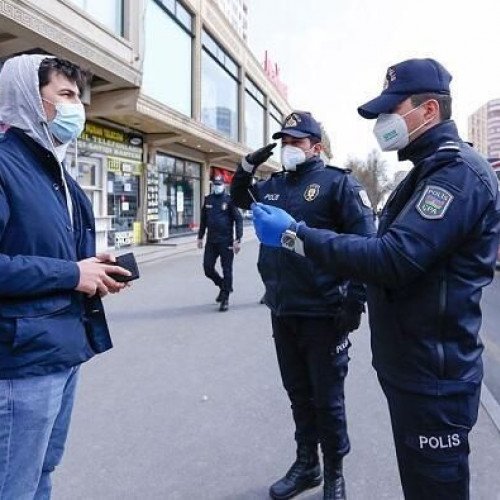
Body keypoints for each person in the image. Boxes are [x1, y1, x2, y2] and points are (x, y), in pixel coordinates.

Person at [251, 59, 500, 500]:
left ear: (428, 111)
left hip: (434, 376)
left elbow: (392, 256)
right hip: (411, 366)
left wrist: (296, 236)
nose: (383, 122)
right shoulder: (424, 172)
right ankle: (309, 464)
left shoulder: (457, 172)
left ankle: (333, 475)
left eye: (391, 109)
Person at [0, 54, 132, 498]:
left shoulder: (56, 172)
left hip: (63, 349)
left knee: (43, 473)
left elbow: (45, 250)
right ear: (30, 99)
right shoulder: (4, 165)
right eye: (67, 95)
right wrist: (71, 273)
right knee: (12, 485)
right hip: (22, 363)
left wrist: (93, 266)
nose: (79, 108)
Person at [231, 111, 375, 500]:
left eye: (296, 141)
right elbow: (237, 195)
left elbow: (365, 246)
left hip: (325, 312)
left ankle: (335, 474)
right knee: (297, 393)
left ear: (316, 146)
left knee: (327, 400)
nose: (288, 148)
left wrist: (356, 302)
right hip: (284, 308)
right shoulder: (273, 184)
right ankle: (306, 464)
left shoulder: (337, 184)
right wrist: (248, 165)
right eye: (284, 141)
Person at [198, 175, 243, 312]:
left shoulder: (229, 200)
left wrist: (238, 239)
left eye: (219, 184)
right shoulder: (208, 200)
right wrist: (200, 237)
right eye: (215, 184)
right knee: (207, 268)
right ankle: (223, 285)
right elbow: (203, 221)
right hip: (211, 241)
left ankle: (225, 299)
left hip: (226, 241)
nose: (217, 186)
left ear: (224, 185)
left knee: (227, 269)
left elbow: (238, 220)